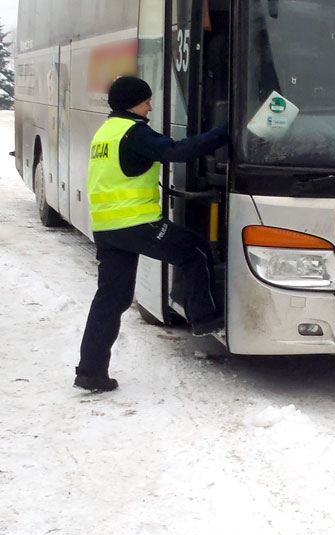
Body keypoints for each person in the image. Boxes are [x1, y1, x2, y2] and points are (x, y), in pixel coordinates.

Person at [74, 76, 229, 392]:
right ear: (133, 102)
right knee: (194, 250)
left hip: (107, 228)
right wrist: (225, 131)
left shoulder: (106, 132)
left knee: (110, 299)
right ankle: (205, 320)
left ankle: (91, 372)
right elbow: (178, 150)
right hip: (137, 223)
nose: (150, 105)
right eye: (145, 100)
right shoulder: (134, 132)